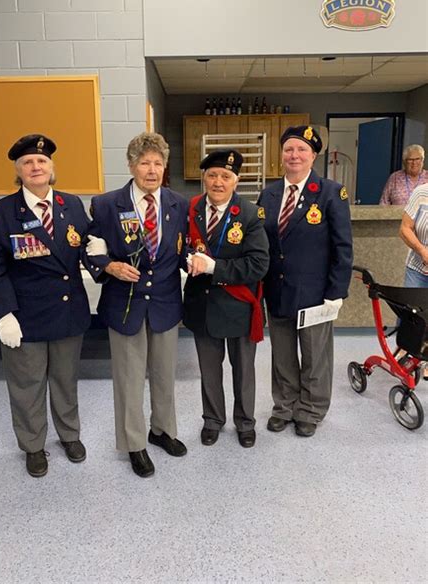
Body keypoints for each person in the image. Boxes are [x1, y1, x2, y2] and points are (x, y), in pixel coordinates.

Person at [0, 134, 90, 477]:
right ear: (19, 171)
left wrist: (103, 253)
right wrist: (5, 314)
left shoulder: (72, 205)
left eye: (42, 161)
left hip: (68, 311)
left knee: (65, 379)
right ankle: (33, 445)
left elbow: (86, 248)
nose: (36, 166)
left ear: (51, 167)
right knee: (27, 385)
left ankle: (69, 435)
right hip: (25, 316)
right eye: (28, 162)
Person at [82, 132, 188, 478]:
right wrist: (109, 266)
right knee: (129, 379)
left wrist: (197, 260)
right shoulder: (105, 204)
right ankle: (134, 443)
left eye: (158, 163)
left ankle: (161, 430)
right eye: (145, 163)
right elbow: (91, 248)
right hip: (124, 304)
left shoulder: (178, 204)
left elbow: (184, 248)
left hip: (166, 304)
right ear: (131, 165)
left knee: (163, 374)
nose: (152, 170)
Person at [257, 126, 353, 437]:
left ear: (313, 155)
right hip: (278, 290)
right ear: (281, 155)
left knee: (315, 357)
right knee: (282, 356)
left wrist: (336, 291)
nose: (294, 155)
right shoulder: (268, 195)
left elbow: (342, 246)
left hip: (315, 293)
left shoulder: (329, 193)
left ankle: (310, 410)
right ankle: (284, 406)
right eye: (289, 149)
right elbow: (262, 245)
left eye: (301, 150)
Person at [183, 149, 269, 448]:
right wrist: (189, 260)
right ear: (204, 178)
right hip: (202, 304)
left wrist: (214, 267)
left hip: (238, 305)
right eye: (212, 175)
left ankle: (245, 422)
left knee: (243, 370)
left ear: (237, 180)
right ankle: (212, 420)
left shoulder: (249, 214)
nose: (218, 182)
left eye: (225, 176)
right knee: (209, 369)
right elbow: (180, 247)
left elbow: (259, 264)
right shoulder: (191, 208)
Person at [399, 182, 428, 287]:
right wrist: (422, 251)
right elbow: (405, 229)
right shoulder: (421, 193)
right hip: (418, 272)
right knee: (412, 303)